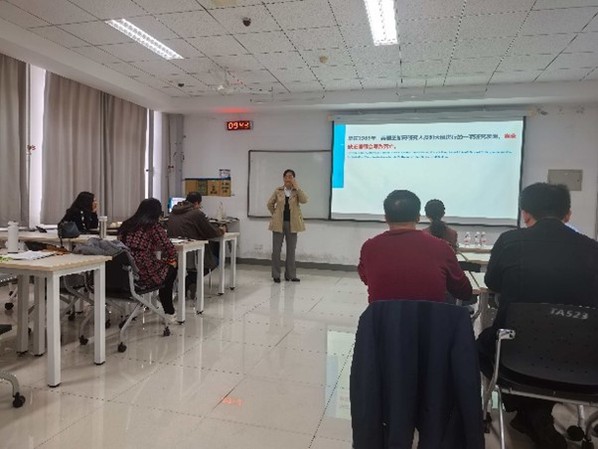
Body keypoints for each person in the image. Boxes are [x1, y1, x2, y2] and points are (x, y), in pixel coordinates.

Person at [477, 182, 598, 449]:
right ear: (568, 214)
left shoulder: (510, 242)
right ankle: (534, 415)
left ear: (525, 213)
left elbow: (492, 282)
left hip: (514, 353)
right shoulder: (593, 249)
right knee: (548, 343)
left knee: (483, 345)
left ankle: (531, 414)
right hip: (580, 360)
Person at [358, 190, 472, 303]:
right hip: (429, 315)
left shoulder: (369, 248)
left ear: (386, 218)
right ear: (418, 217)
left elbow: (367, 279)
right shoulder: (442, 247)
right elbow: (465, 292)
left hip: (383, 315)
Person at [118, 198, 178, 322]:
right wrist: (171, 259)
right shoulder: (153, 226)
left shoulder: (126, 224)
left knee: (164, 267)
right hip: (143, 269)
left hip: (124, 270)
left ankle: (159, 302)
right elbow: (169, 248)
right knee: (171, 268)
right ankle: (168, 310)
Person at [167, 192, 225, 289]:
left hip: (174, 252)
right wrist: (221, 230)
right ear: (197, 203)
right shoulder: (196, 213)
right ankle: (188, 282)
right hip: (192, 251)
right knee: (215, 259)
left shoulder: (173, 212)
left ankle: (188, 283)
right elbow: (210, 232)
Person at [267, 169, 308, 283]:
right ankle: (276, 275)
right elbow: (269, 204)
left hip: (293, 224)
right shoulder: (278, 190)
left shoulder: (296, 191)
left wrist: (297, 188)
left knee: (291, 250)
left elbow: (304, 200)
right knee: (276, 250)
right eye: (286, 177)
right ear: (283, 178)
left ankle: (290, 275)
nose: (288, 179)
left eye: (290, 177)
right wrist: (275, 214)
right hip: (278, 223)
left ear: (294, 179)